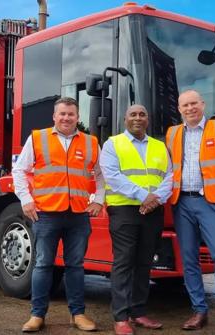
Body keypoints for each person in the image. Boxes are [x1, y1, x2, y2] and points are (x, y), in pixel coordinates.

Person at [12, 97, 105, 333]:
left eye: (71, 114)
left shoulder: (91, 142)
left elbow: (102, 175)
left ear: (77, 117)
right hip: (46, 213)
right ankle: (37, 315)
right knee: (43, 264)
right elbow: (19, 170)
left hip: (78, 214)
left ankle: (78, 314)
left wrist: (99, 201)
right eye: (62, 114)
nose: (66, 118)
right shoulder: (37, 138)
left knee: (75, 265)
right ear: (54, 116)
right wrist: (26, 200)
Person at [165, 90, 215, 334]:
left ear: (202, 105)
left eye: (194, 103)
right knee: (189, 259)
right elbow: (168, 167)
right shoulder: (173, 133)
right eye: (185, 105)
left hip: (211, 203)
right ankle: (199, 311)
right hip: (182, 203)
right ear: (179, 109)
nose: (190, 108)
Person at [99, 105, 173, 335]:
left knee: (144, 262)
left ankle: (138, 312)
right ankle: (121, 317)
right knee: (124, 262)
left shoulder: (160, 146)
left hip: (153, 211)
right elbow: (112, 176)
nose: (138, 118)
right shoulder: (113, 144)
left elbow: (170, 176)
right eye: (133, 114)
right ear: (125, 119)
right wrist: (144, 196)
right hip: (124, 211)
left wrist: (157, 198)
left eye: (142, 114)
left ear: (148, 119)